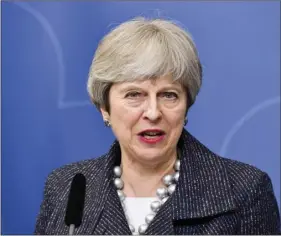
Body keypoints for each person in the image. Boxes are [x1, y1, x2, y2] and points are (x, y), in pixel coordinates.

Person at [34, 17, 280, 235]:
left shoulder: (246, 192)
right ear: (104, 107)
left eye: (169, 95)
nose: (153, 112)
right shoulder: (67, 187)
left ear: (186, 106)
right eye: (134, 95)